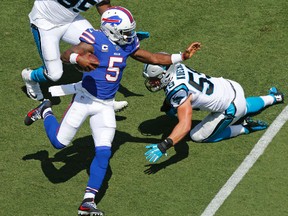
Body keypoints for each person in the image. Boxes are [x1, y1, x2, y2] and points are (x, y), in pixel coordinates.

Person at [23, 6, 200, 216]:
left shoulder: (127, 44)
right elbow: (66, 54)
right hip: (84, 99)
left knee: (104, 152)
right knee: (59, 143)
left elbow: (152, 57)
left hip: (105, 104)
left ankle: (87, 202)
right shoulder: (94, 39)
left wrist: (182, 56)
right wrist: (77, 59)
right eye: (125, 31)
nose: (130, 36)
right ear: (111, 29)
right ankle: (46, 111)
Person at [142, 59, 284, 163]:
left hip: (231, 107)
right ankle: (274, 97)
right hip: (229, 86)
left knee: (197, 136)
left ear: (165, 75)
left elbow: (185, 125)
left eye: (154, 79)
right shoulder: (176, 65)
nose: (152, 83)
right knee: (244, 105)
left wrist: (164, 145)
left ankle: (244, 127)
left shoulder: (177, 91)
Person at [21, 0, 149, 112]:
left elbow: (106, 10)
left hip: (70, 20)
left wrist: (121, 31)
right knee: (54, 75)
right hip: (45, 22)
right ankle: (29, 76)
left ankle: (105, 101)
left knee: (100, 47)